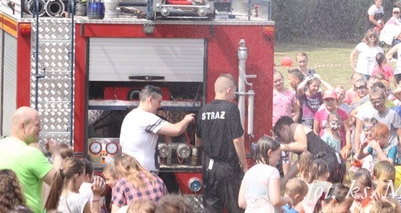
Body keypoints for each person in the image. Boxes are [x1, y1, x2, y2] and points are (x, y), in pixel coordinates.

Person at [0, 106, 62, 213]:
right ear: (22, 126)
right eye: (37, 125)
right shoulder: (32, 154)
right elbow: (59, 182)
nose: (40, 129)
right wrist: (56, 153)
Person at [194, 73, 248, 213]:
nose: (234, 97)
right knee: (236, 207)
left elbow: (197, 140)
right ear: (229, 90)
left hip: (209, 168)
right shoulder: (231, 109)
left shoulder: (203, 110)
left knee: (211, 208)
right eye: (234, 92)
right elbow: (237, 140)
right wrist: (245, 165)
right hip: (228, 169)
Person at [119, 85, 195, 172]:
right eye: (159, 102)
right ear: (150, 100)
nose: (160, 106)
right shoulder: (146, 117)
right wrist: (187, 119)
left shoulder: (131, 116)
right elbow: (176, 130)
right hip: (141, 175)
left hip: (132, 172)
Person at [238, 136, 291, 212]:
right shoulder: (273, 172)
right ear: (270, 153)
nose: (279, 158)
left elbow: (241, 202)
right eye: (278, 154)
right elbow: (276, 200)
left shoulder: (248, 173)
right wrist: (287, 199)